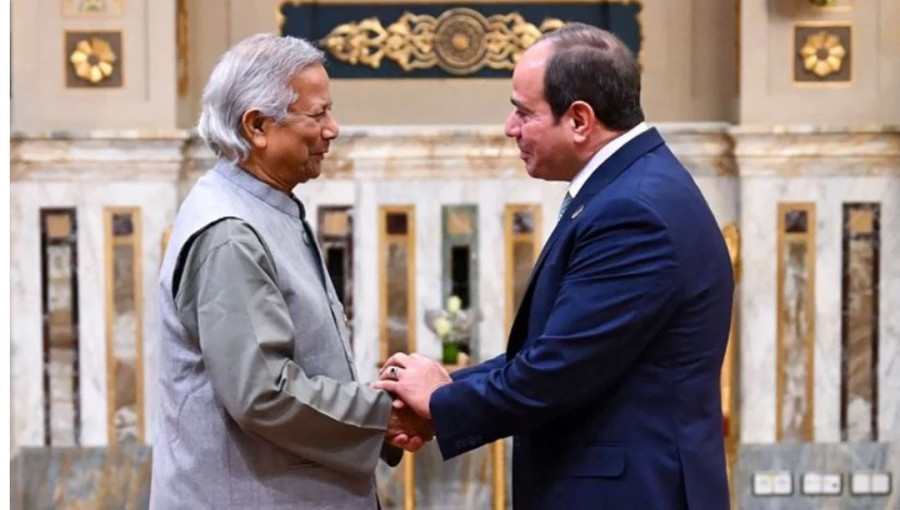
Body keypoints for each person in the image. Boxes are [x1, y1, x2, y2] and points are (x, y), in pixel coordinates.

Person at [375, 23, 734, 509]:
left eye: (524, 112)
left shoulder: (635, 211)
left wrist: (439, 402)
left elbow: (557, 371)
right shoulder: (629, 188)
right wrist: (439, 389)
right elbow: (560, 350)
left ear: (580, 120)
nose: (510, 127)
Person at [150, 33, 430, 509]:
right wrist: (384, 416)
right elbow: (263, 392)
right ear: (257, 126)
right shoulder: (230, 232)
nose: (333, 128)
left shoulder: (264, 207)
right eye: (317, 114)